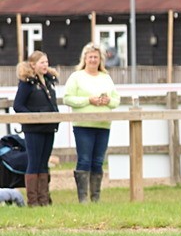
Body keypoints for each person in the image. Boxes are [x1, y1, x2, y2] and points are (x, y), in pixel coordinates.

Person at [63, 42, 121, 203]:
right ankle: (83, 198)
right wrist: (88, 100)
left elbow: (116, 100)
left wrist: (107, 100)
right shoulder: (76, 77)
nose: (93, 60)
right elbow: (67, 98)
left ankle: (96, 197)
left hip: (103, 125)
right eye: (91, 57)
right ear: (85, 58)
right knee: (84, 159)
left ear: (100, 59)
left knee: (98, 161)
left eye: (96, 57)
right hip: (83, 125)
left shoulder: (106, 77)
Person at [12, 50, 60, 207]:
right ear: (33, 65)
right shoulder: (27, 83)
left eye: (46, 62)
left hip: (49, 127)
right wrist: (34, 117)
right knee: (34, 162)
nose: (45, 65)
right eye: (42, 62)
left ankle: (44, 199)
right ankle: (33, 201)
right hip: (33, 129)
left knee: (43, 162)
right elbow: (18, 105)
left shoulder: (48, 80)